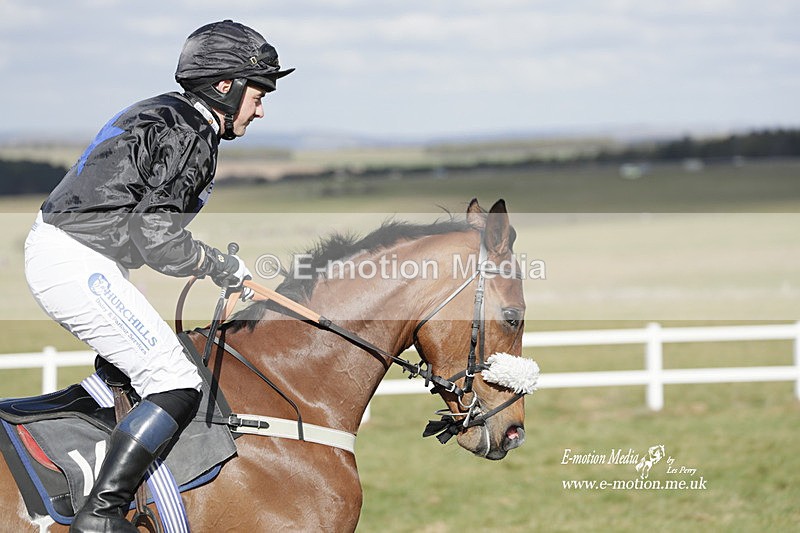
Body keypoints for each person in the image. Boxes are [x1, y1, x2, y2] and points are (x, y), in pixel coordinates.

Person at [23, 20, 293, 532]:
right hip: (75, 259)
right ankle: (100, 515)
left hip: (82, 256)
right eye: (258, 93)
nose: (261, 108)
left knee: (144, 366)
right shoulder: (188, 130)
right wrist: (219, 265)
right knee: (173, 378)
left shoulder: (170, 114)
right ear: (225, 87)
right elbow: (159, 238)